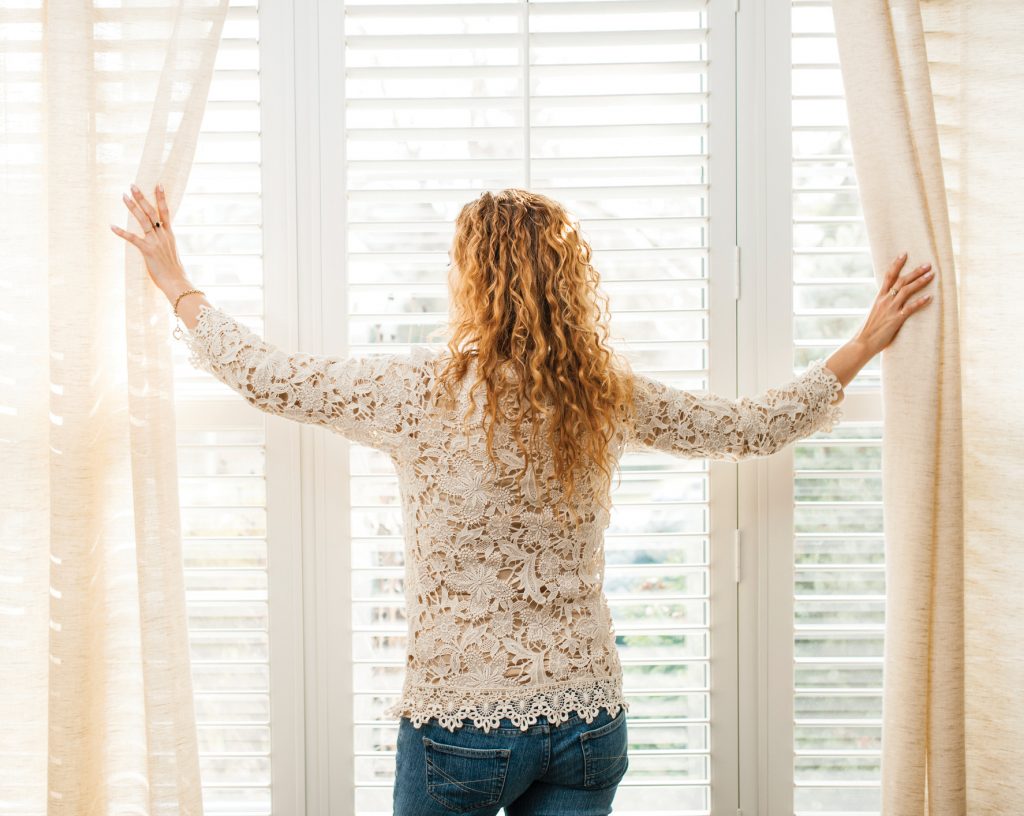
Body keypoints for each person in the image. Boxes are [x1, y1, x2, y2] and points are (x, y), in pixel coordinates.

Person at [112, 184, 934, 815]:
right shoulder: (603, 395)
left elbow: (272, 378)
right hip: (587, 720)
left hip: (459, 728)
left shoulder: (419, 392)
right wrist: (862, 341)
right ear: (567, 286)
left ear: (472, 282)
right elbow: (749, 426)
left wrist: (176, 283)